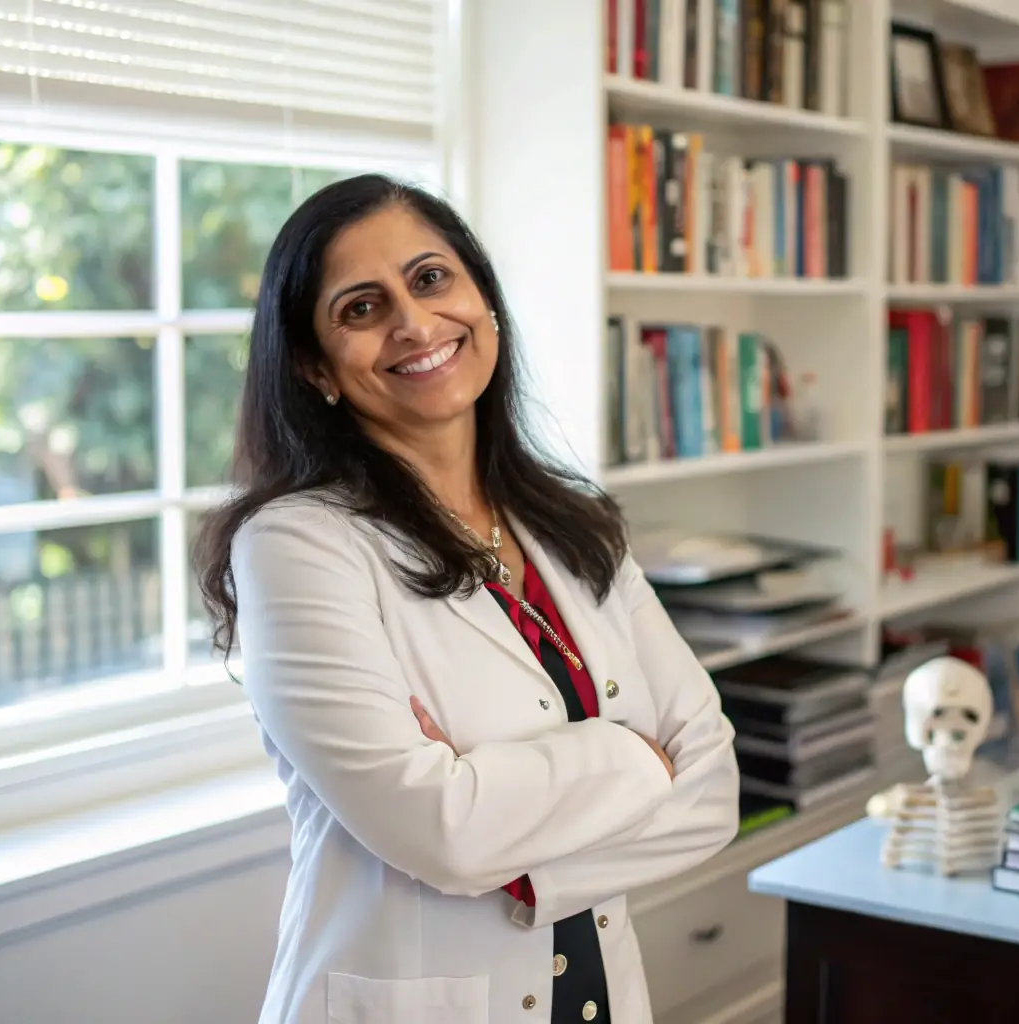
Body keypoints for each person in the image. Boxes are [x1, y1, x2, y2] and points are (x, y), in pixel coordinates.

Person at [195, 174, 740, 1024]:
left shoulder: (571, 521)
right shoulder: (298, 545)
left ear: (482, 299)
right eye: (360, 309)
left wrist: (512, 842)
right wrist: (638, 760)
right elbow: (440, 829)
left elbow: (711, 794)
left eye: (429, 278)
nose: (414, 324)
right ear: (315, 367)